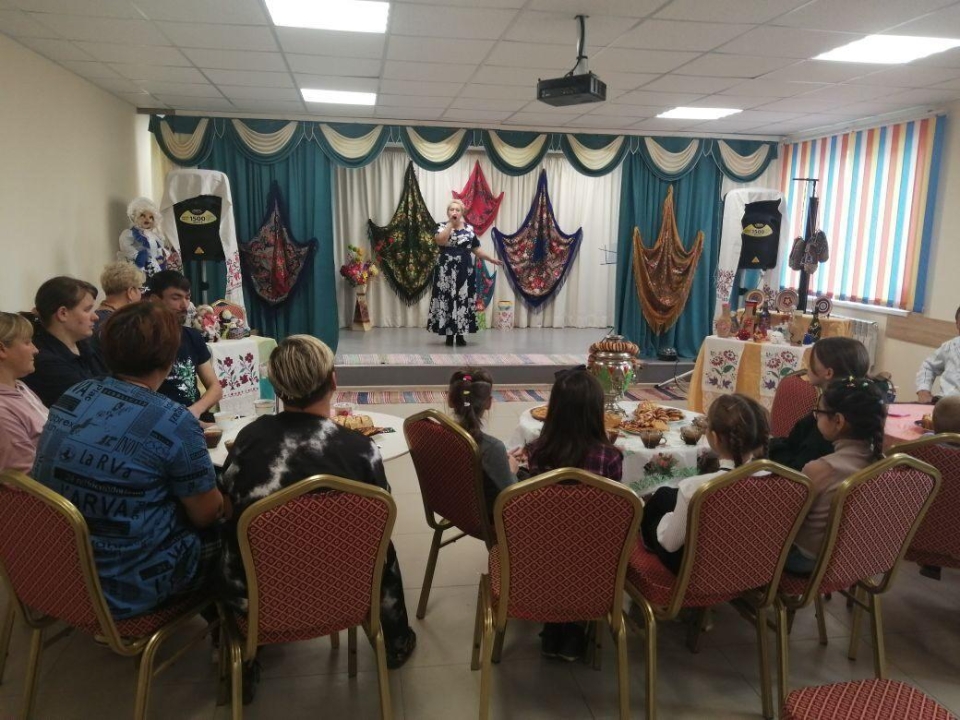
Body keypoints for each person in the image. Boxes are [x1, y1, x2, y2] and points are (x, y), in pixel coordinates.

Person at [219, 335, 417, 681]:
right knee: (381, 544)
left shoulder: (249, 440)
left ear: (277, 388)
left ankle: (243, 662)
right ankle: (395, 643)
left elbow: (227, 505)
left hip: (257, 597)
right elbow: (378, 518)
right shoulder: (361, 450)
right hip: (349, 590)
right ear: (333, 381)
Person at [31, 302, 224, 619]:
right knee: (236, 527)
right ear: (170, 357)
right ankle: (238, 633)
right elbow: (207, 515)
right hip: (127, 584)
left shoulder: (75, 394)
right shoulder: (175, 420)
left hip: (60, 569)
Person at [520, 366, 623, 662]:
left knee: (559, 542)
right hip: (593, 558)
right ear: (596, 412)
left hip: (542, 553)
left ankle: (553, 625)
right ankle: (576, 626)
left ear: (553, 411)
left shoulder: (537, 452)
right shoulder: (610, 457)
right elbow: (614, 510)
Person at [641, 394, 770, 575]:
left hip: (696, 570)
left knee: (656, 513)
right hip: (750, 567)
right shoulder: (784, 483)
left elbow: (670, 545)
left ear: (714, 438)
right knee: (664, 494)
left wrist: (667, 519)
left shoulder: (696, 488)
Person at [786, 377, 886, 576]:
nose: (815, 416)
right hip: (861, 560)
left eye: (819, 412)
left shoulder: (822, 468)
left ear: (838, 421)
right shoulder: (883, 466)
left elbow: (787, 520)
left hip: (810, 562)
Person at [769, 337, 870, 471]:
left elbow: (797, 471)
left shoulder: (829, 425)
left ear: (828, 373)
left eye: (812, 362)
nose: (808, 366)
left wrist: (769, 448)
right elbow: (795, 441)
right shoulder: (858, 406)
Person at [147, 271, 222, 419]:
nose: (185, 305)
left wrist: (194, 411)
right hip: (160, 419)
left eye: (187, 298)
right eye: (176, 298)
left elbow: (215, 388)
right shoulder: (143, 338)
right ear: (155, 299)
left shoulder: (192, 336)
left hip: (194, 416)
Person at [22, 276, 107, 407]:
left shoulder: (84, 344)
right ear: (62, 313)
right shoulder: (45, 363)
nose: (95, 317)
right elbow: (97, 403)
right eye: (87, 310)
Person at [428, 199, 502, 347]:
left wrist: (491, 259)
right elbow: (441, 241)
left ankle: (461, 334)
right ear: (448, 212)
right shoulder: (441, 226)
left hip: (464, 269)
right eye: (452, 209)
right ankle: (449, 334)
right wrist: (450, 224)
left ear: (462, 213)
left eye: (457, 210)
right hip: (446, 270)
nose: (454, 212)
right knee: (447, 299)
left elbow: (476, 249)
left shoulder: (469, 229)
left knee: (463, 299)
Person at [447, 368, 518, 516]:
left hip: (452, 506)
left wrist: (499, 460)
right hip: (489, 516)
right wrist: (512, 469)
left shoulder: (438, 434)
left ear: (450, 400)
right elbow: (513, 497)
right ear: (489, 403)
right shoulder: (492, 448)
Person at [0, 312, 48, 472]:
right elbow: (24, 474)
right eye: (27, 342)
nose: (35, 350)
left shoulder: (20, 387)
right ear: (2, 349)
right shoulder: (2, 411)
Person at [916, 305, 960, 404]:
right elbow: (928, 366)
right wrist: (923, 391)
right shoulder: (950, 347)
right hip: (944, 404)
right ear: (957, 324)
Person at [94, 261, 146, 335]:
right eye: (140, 289)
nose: (141, 294)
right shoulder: (122, 325)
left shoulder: (93, 318)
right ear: (130, 292)